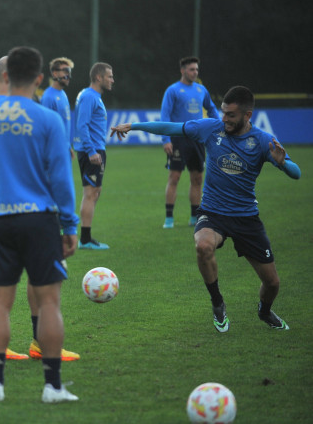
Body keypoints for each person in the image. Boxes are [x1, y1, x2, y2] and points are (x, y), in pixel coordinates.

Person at [110, 85, 300, 332]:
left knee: (273, 283)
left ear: (247, 115)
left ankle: (264, 312)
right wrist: (133, 126)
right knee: (203, 245)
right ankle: (217, 303)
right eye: (223, 112)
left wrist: (283, 163)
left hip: (246, 218)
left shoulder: (263, 141)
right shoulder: (211, 128)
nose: (224, 119)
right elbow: (171, 127)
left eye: (231, 115)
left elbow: (296, 173)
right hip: (213, 212)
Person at [0, 46, 79, 403]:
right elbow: (61, 178)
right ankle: (52, 387)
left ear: (4, 76)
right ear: (39, 78)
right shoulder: (48, 119)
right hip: (39, 219)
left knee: (0, 303)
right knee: (48, 303)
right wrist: (70, 225)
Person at [160, 57, 220, 229]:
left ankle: (195, 217)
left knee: (197, 178)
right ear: (183, 70)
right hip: (178, 139)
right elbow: (164, 115)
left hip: (197, 139)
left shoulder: (201, 90)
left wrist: (220, 125)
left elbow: (212, 108)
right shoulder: (173, 90)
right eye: (192, 69)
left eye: (196, 69)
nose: (195, 72)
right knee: (174, 177)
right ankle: (169, 218)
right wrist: (166, 139)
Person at [74, 62, 114, 250]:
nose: (112, 80)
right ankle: (85, 239)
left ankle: (86, 237)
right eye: (109, 76)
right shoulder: (89, 96)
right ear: (99, 77)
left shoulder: (91, 96)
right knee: (90, 193)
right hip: (92, 151)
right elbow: (82, 125)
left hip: (95, 149)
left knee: (95, 192)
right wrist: (91, 151)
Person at [41, 57, 75, 157]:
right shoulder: (48, 97)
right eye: (65, 71)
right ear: (55, 74)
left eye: (69, 72)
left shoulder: (63, 94)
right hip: (53, 152)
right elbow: (46, 128)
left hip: (63, 149)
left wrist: (68, 146)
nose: (68, 75)